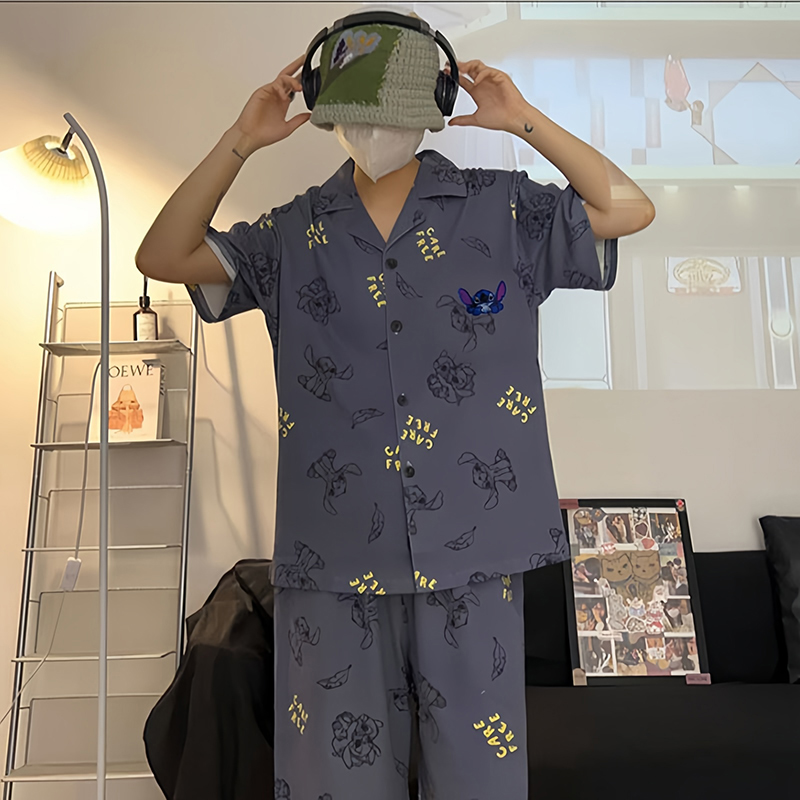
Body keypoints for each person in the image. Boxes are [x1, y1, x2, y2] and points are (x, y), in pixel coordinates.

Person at [135, 10, 655, 799]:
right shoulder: (291, 234)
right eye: (360, 109)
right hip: (333, 556)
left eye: (394, 107)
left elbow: (628, 209)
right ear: (330, 112)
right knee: (331, 783)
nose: (376, 128)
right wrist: (241, 139)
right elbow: (163, 254)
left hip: (475, 552)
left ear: (433, 106)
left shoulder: (506, 212)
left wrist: (523, 121)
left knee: (479, 782)